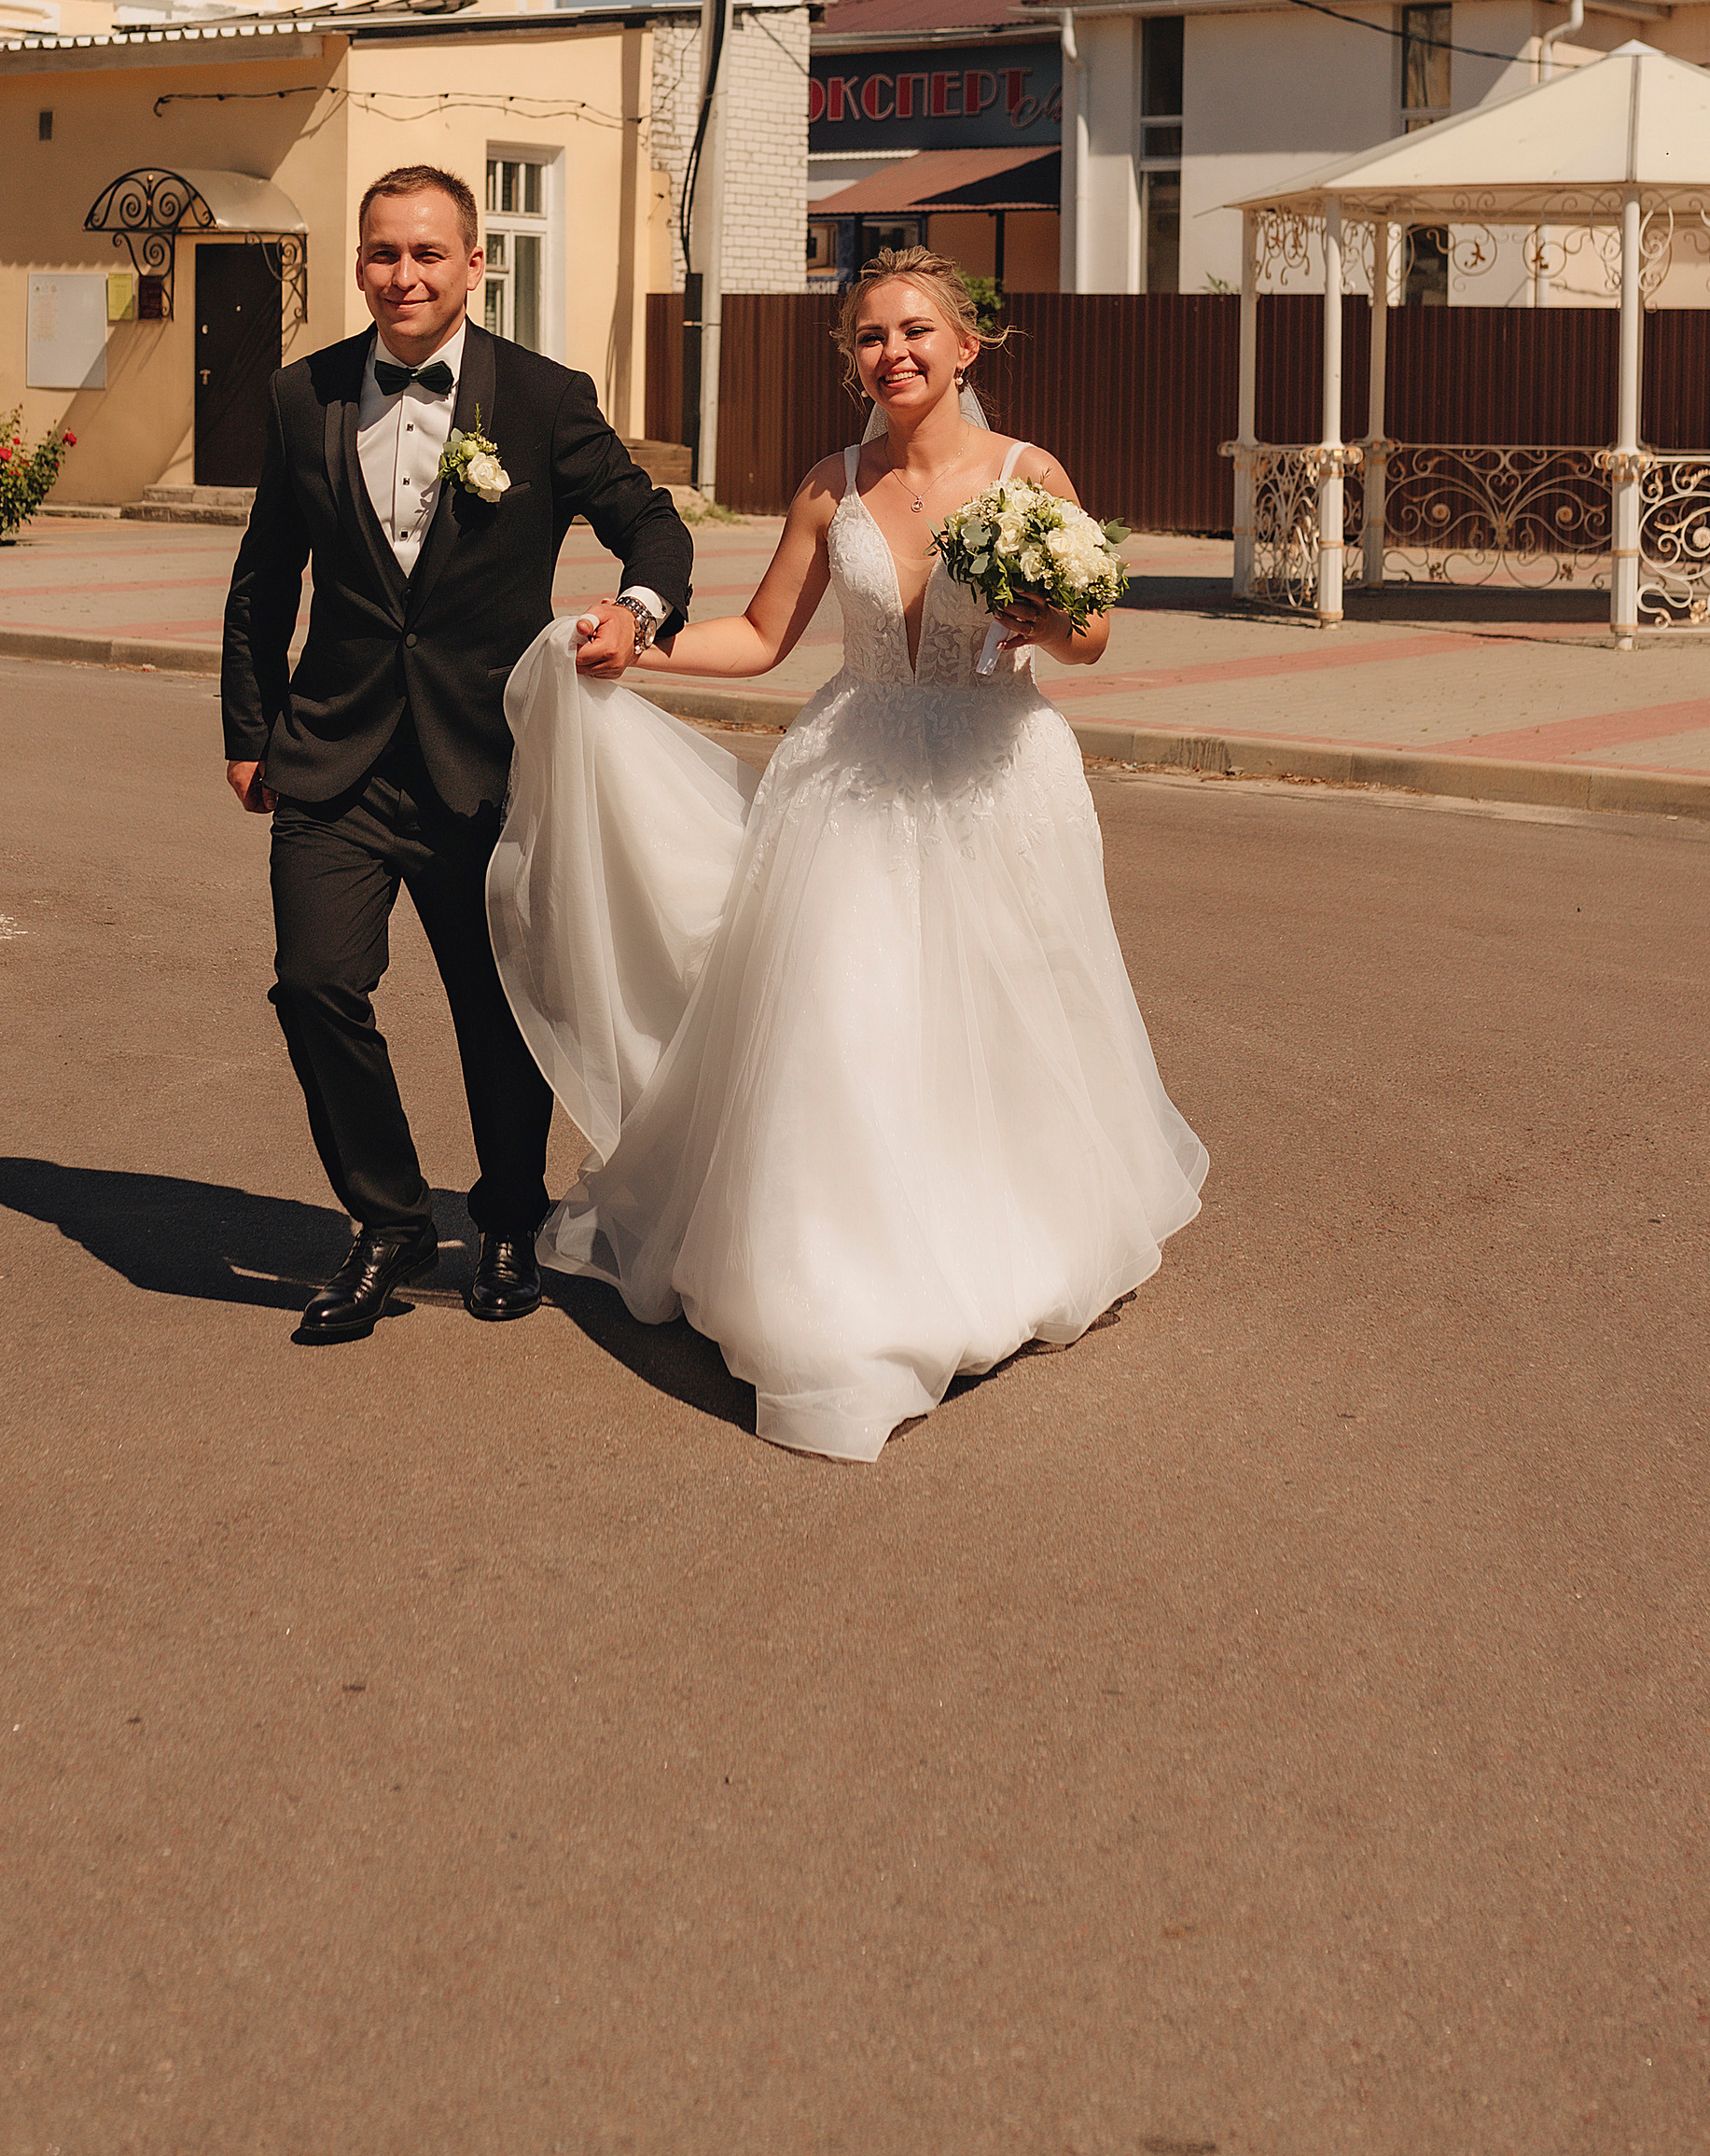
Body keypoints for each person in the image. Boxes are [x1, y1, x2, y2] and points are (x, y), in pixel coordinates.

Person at [487, 247, 1207, 1463]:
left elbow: (1086, 633)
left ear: (968, 344)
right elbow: (765, 635)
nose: (896, 354)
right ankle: (848, 1282)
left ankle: (1003, 1239)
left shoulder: (1031, 476)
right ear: (853, 357)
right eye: (871, 337)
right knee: (851, 1028)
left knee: (1001, 1022)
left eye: (918, 330)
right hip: (852, 772)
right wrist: (639, 644)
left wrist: (1052, 620)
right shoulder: (831, 483)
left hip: (998, 780)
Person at [222, 164, 693, 1346]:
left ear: (475, 265)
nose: (403, 276)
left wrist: (637, 610)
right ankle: (383, 1219)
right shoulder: (301, 394)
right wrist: (248, 727)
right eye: (383, 254)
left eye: (428, 254)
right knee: (315, 981)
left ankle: (503, 1217)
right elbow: (263, 577)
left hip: (488, 757)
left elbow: (651, 519)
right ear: (361, 262)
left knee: (498, 1011)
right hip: (334, 755)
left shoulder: (539, 397)